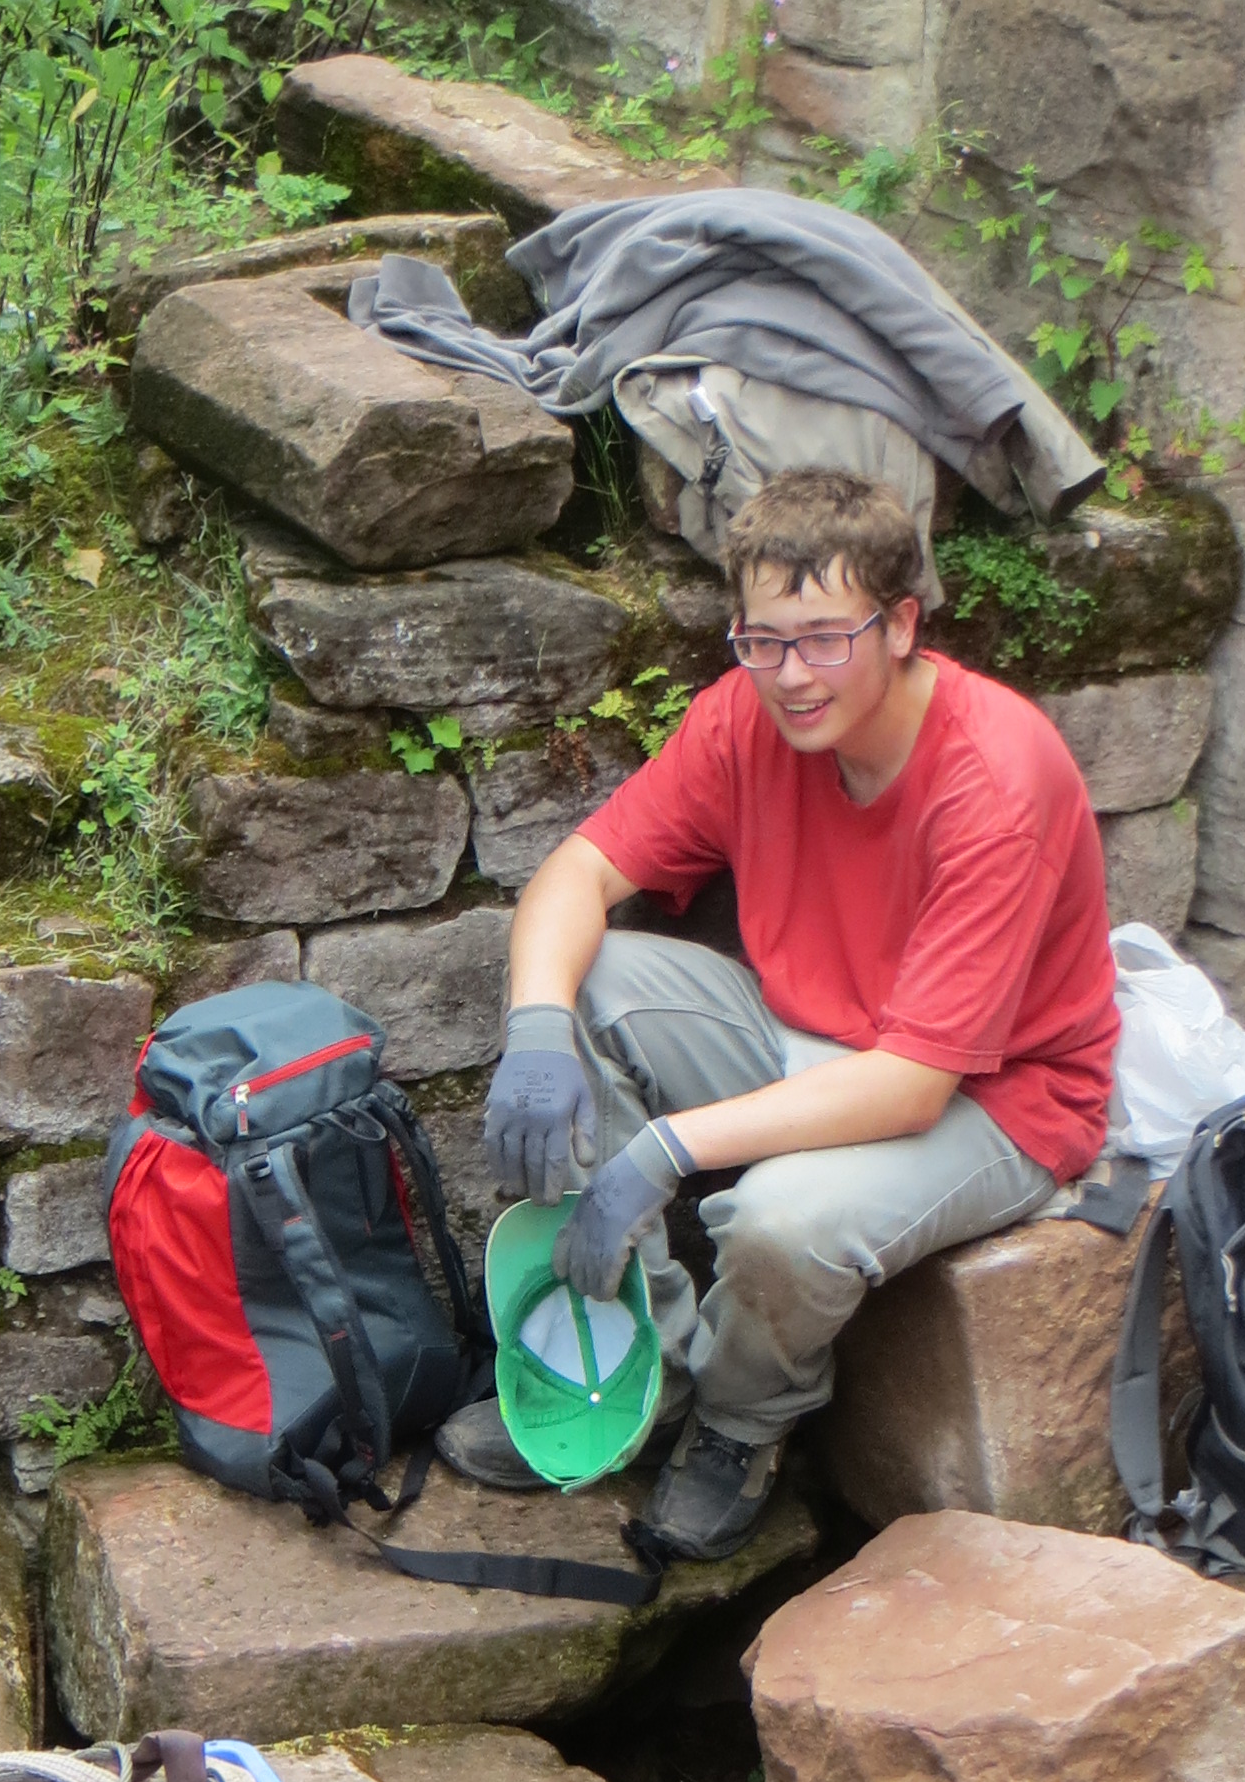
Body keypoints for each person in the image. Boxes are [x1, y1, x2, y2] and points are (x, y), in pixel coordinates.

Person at [440, 469, 1122, 1558]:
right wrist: (533, 1030)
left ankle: (740, 1424)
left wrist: (664, 1148)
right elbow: (578, 873)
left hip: (995, 1096)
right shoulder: (745, 718)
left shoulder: (995, 782)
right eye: (763, 641)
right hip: (814, 1031)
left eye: (824, 640)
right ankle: (643, 1369)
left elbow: (912, 1086)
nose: (792, 677)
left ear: (901, 625)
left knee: (779, 1222)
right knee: (577, 981)